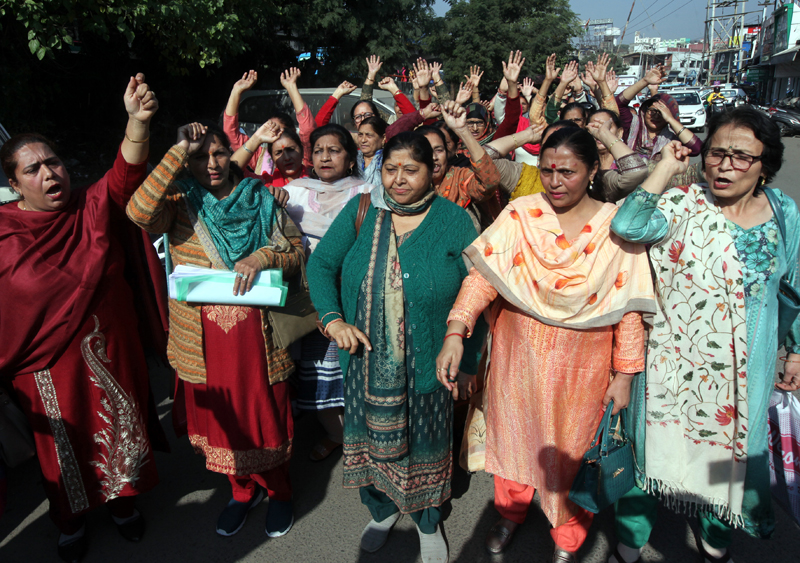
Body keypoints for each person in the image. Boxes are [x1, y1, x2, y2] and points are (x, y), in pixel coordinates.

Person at [438, 126, 655, 563]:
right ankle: (510, 513)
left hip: (583, 368)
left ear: (592, 171)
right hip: (517, 357)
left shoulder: (614, 226)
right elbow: (482, 279)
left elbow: (629, 305)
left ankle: (568, 537)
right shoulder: (521, 214)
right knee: (512, 437)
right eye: (548, 170)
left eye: (568, 172)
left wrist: (625, 374)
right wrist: (456, 331)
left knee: (573, 453)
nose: (555, 182)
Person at [608, 107, 800, 563]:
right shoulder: (682, 204)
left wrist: (795, 351)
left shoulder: (782, 212)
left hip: (743, 374)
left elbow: (793, 287)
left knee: (729, 459)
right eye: (716, 153)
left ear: (765, 165)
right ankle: (630, 543)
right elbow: (627, 226)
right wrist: (665, 168)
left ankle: (715, 541)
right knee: (650, 454)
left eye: (741, 157)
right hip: (671, 367)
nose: (724, 166)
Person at [0, 74, 161, 562]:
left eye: (53, 162)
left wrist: (136, 122)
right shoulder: (4, 235)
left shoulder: (92, 207)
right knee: (62, 450)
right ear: (14, 184)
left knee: (122, 431)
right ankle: (69, 522)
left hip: (113, 352)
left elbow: (125, 176)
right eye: (33, 169)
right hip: (44, 370)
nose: (49, 174)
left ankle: (124, 507)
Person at [307, 130, 485, 563]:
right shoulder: (363, 210)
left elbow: (478, 290)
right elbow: (322, 264)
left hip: (430, 364)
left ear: (433, 172)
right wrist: (332, 319)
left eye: (410, 170)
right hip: (365, 364)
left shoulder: (455, 221)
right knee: (370, 442)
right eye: (390, 169)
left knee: (427, 445)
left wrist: (469, 361)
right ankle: (382, 510)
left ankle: (427, 521)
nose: (398, 180)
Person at [127, 121, 303, 539]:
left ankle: (279, 492)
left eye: (219, 153)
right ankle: (242, 492)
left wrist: (262, 257)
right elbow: (138, 212)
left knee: (263, 419)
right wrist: (176, 150)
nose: (212, 163)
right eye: (199, 156)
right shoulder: (179, 202)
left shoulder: (260, 198)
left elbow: (295, 253)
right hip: (202, 342)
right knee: (220, 422)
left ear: (232, 154)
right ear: (186, 162)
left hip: (257, 340)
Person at [283, 124, 373, 461]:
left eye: (334, 150)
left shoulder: (369, 193)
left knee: (356, 365)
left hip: (352, 297)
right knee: (317, 369)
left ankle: (363, 433)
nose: (325, 157)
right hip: (307, 300)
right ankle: (337, 433)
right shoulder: (293, 192)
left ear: (350, 158)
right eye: (319, 150)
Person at [418, 101, 502, 231]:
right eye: (426, 151)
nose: (434, 157)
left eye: (439, 150)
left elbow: (489, 182)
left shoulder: (459, 178)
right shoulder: (407, 183)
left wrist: (463, 130)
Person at [223, 68, 315, 175]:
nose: (273, 137)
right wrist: (236, 91)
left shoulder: (303, 157)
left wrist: (291, 87)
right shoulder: (260, 158)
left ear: (293, 132)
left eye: (279, 132)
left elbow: (308, 130)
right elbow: (231, 134)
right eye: (269, 133)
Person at [615, 65, 702, 161]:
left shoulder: (672, 136)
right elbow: (619, 103)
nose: (656, 116)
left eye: (660, 113)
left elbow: (696, 149)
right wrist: (645, 81)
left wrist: (670, 120)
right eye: (652, 111)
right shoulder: (633, 125)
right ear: (645, 110)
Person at [586, 110, 649, 203]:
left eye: (607, 127)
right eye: (594, 127)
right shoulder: (584, 164)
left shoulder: (639, 160)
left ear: (619, 133)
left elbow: (635, 171)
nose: (599, 131)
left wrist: (605, 134)